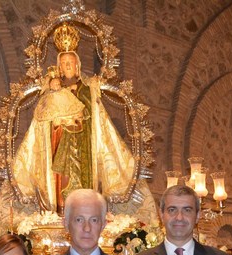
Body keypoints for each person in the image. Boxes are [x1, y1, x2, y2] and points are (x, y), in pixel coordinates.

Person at [11, 29, 138, 215]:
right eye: (64, 63)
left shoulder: (88, 89)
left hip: (83, 143)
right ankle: (61, 210)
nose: (67, 66)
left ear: (77, 65)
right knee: (61, 176)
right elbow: (44, 119)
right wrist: (57, 120)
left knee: (81, 179)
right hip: (60, 140)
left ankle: (84, 210)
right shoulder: (52, 90)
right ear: (59, 67)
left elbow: (94, 116)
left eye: (70, 62)